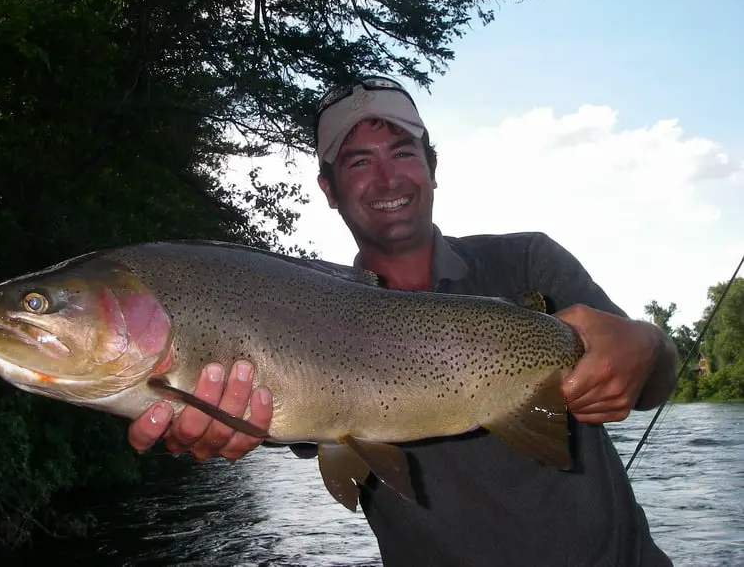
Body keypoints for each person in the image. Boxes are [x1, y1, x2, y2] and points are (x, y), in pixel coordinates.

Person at [127, 75, 678, 566]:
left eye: (403, 152)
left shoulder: (528, 262)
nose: (388, 179)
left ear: (432, 168)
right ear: (329, 189)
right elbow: (248, 418)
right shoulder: (291, 310)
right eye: (360, 162)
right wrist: (202, 422)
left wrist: (648, 343)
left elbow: (656, 384)